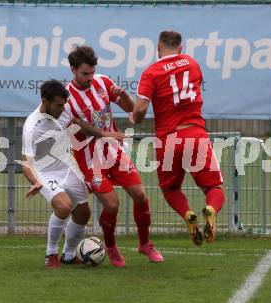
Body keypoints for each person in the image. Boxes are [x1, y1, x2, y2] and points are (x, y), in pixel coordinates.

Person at [65, 45, 163, 267]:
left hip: (114, 153)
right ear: (73, 70)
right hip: (90, 161)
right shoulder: (67, 98)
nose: (90, 78)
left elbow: (130, 111)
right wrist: (106, 134)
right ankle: (111, 247)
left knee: (140, 195)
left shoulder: (103, 82)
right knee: (112, 205)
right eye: (85, 74)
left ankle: (145, 243)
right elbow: (78, 129)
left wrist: (124, 95)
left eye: (92, 72)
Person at [132, 30, 226, 245]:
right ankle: (210, 210)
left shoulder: (151, 73)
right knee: (213, 189)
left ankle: (188, 215)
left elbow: (140, 108)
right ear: (180, 48)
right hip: (195, 133)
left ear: (158, 47)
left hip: (168, 140)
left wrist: (134, 117)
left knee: (170, 189)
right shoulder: (192, 64)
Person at [21, 79, 124, 269]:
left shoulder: (65, 110)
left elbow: (79, 123)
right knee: (63, 206)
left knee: (83, 214)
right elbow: (26, 163)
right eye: (58, 105)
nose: (63, 109)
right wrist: (35, 182)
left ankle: (68, 255)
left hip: (65, 168)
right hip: (43, 172)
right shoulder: (31, 126)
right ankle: (51, 254)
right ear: (45, 101)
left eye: (64, 104)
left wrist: (103, 134)